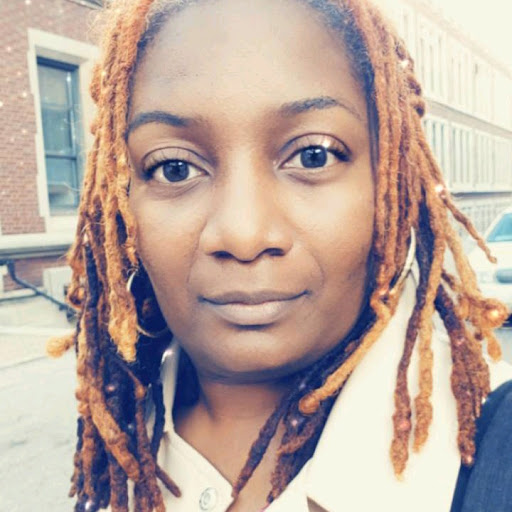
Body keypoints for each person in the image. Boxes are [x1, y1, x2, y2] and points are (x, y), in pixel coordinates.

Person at [47, 0, 512, 510]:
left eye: (313, 156)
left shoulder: (494, 449)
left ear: (392, 181)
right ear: (120, 203)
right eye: (174, 168)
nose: (243, 234)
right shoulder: (118, 436)